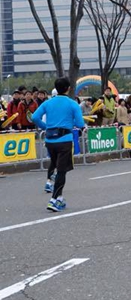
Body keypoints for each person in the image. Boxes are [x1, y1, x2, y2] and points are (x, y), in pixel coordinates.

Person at [32, 77, 85, 212]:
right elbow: (79, 124)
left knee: (56, 167)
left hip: (50, 140)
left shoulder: (48, 103)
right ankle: (54, 199)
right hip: (65, 140)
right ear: (68, 88)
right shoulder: (72, 104)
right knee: (62, 171)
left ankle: (59, 198)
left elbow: (34, 117)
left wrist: (46, 127)